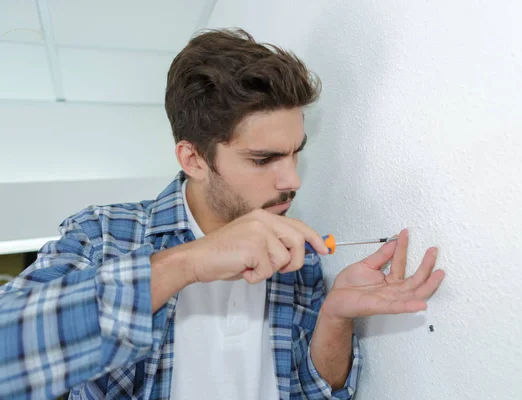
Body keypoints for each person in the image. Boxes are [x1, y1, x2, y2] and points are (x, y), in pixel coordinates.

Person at [0, 28, 445, 400]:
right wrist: (188, 262)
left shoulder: (297, 253)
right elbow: (9, 350)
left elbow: (315, 392)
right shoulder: (101, 235)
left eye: (295, 154)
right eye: (263, 159)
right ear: (193, 159)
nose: (292, 180)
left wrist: (334, 317)